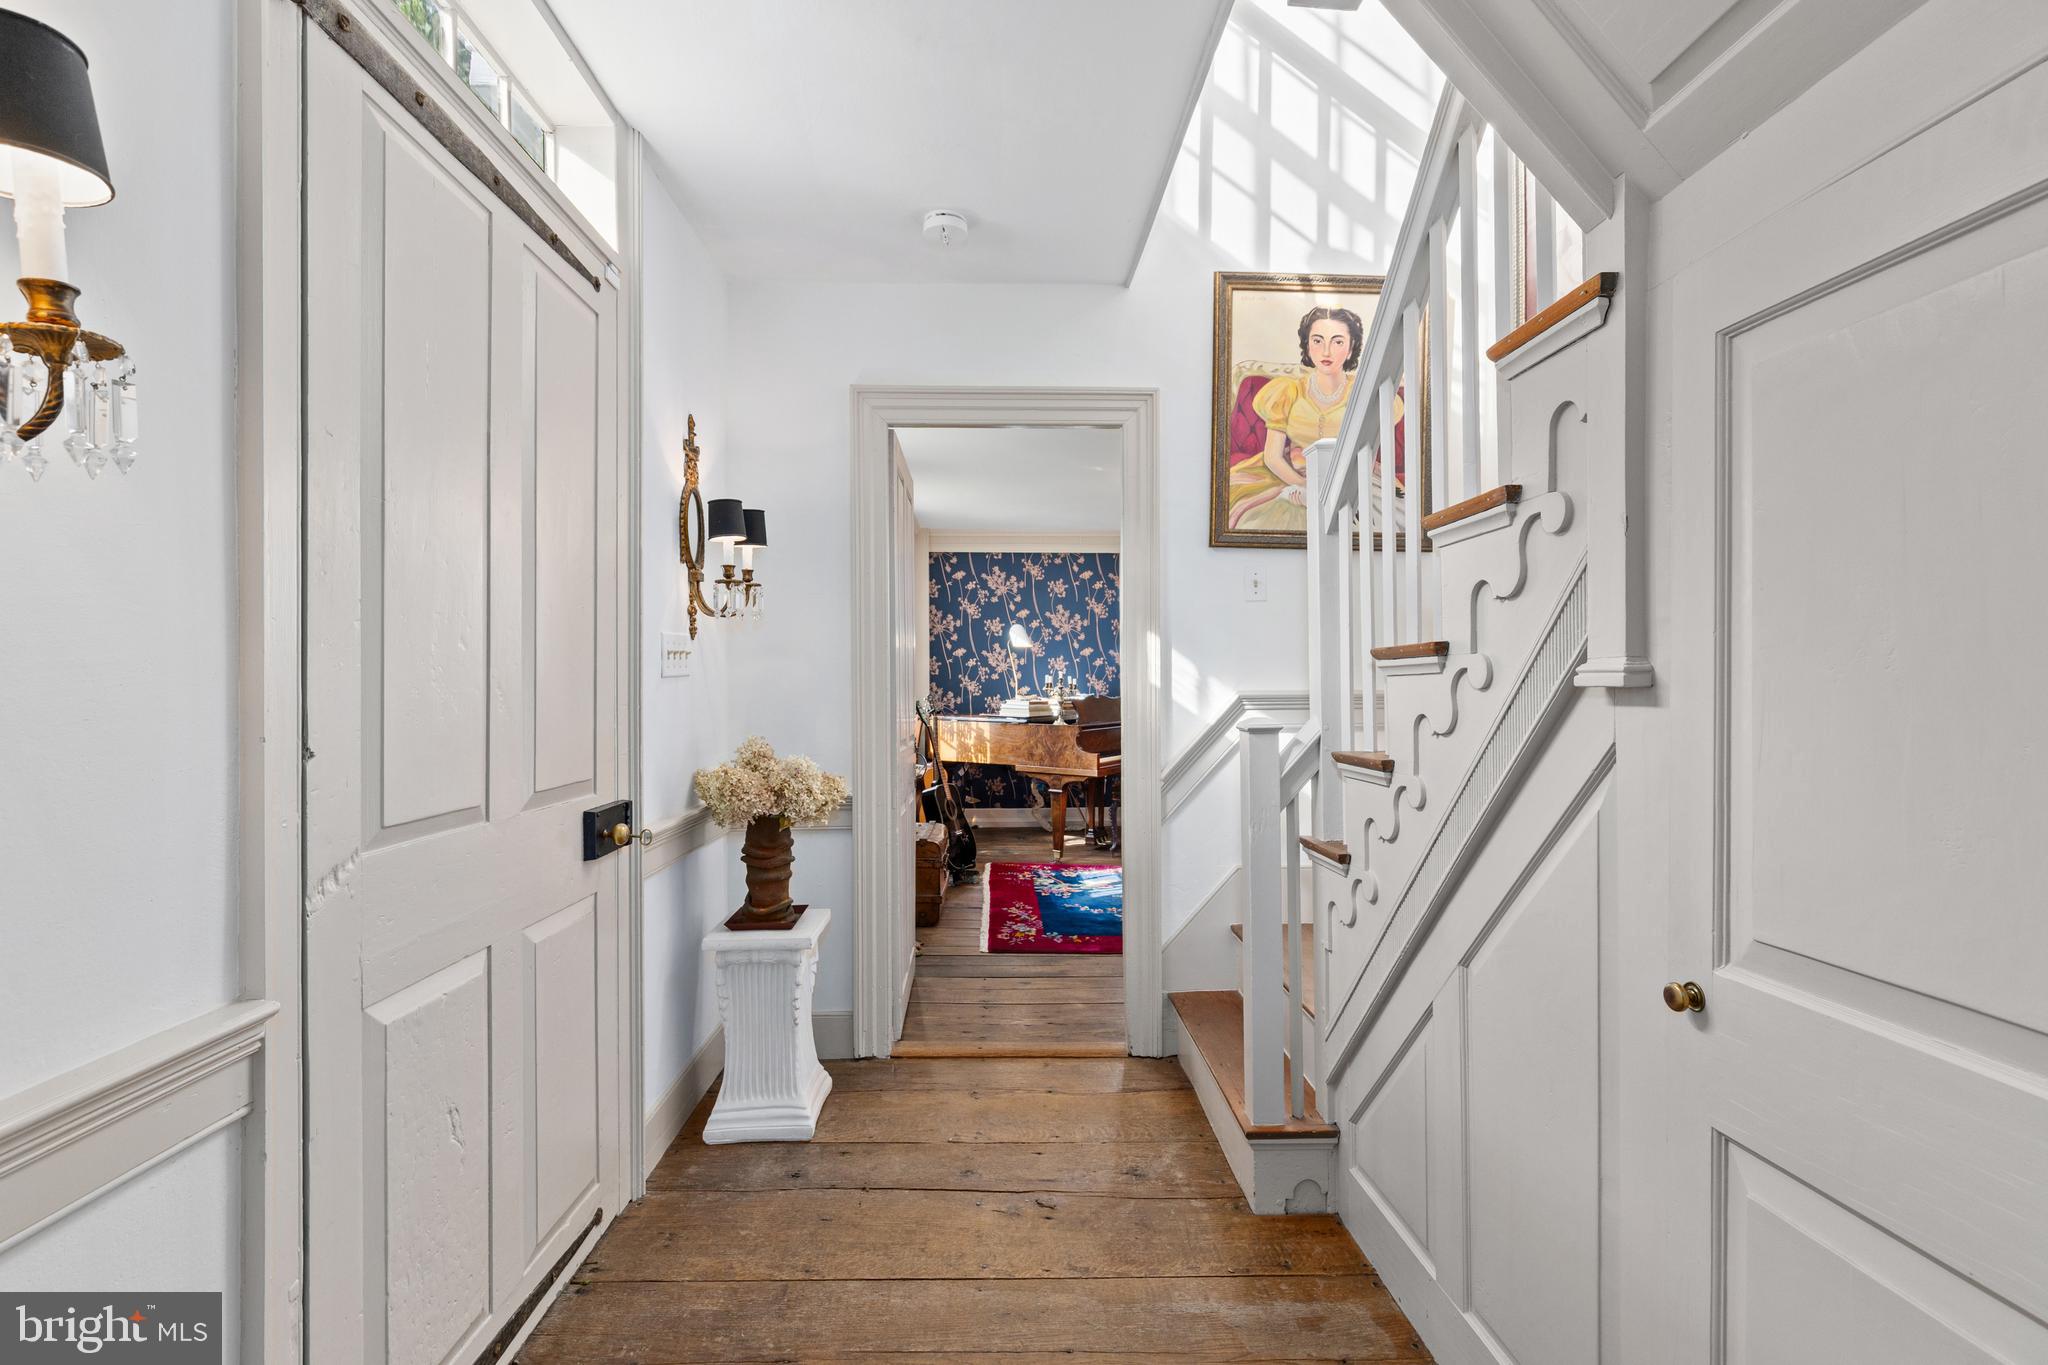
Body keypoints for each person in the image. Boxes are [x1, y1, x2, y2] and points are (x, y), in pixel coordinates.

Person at [1226, 305, 1364, 532]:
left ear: (1351, 349)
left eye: (1338, 342)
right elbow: (1273, 456)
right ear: (1308, 347)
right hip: (1292, 477)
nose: (1326, 351)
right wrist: (1303, 486)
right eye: (1318, 341)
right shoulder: (1287, 392)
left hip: (1348, 479)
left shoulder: (1362, 392)